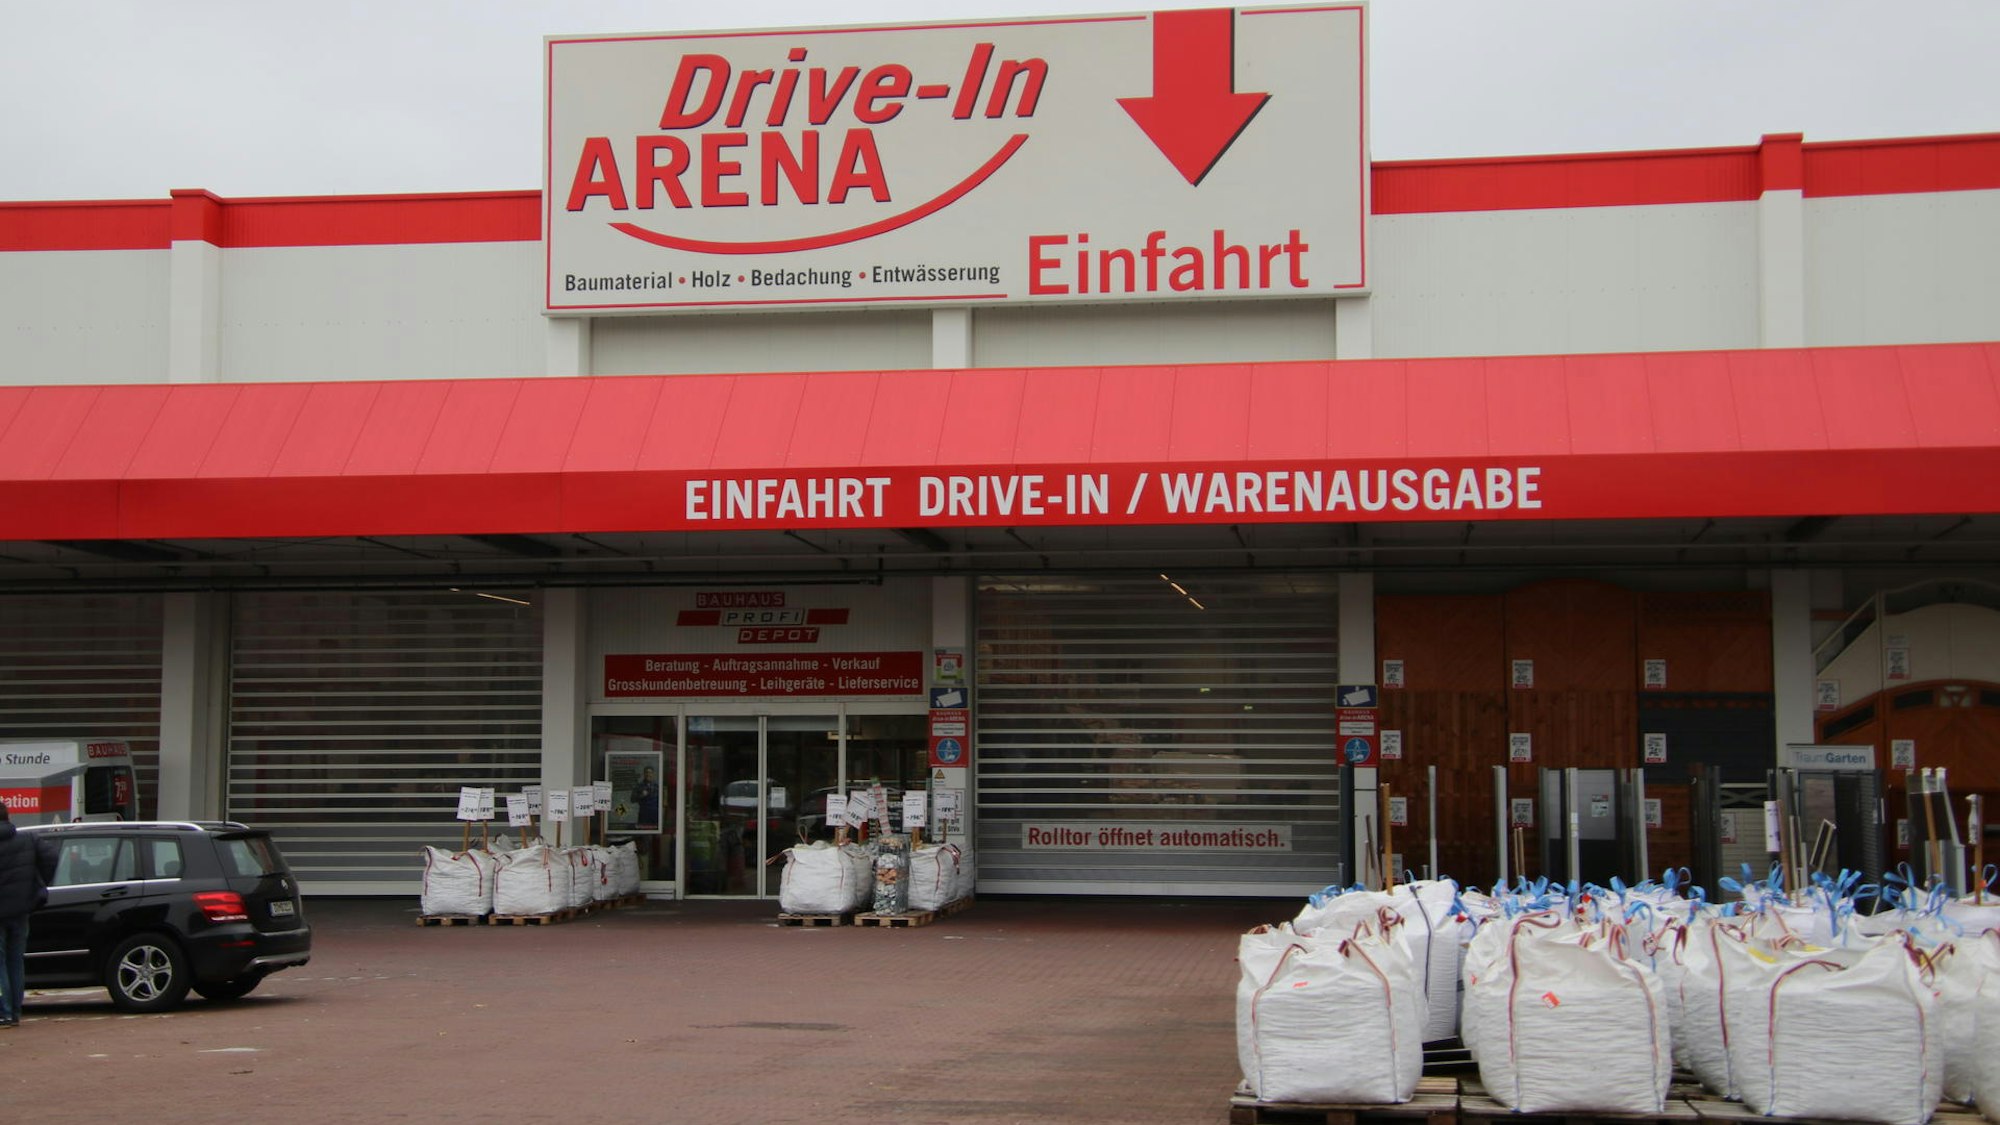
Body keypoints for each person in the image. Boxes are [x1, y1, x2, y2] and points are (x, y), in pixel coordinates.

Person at [0, 805, 60, 1028]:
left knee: (0, 963)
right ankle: (14, 1011)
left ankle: (4, 1011)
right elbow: (52, 857)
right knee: (16, 960)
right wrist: (39, 884)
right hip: (21, 909)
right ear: (8, 817)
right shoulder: (28, 840)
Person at [632, 767, 661, 831]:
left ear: (653, 774)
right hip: (644, 815)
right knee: (644, 836)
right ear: (644, 774)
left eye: (650, 772)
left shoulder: (657, 786)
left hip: (655, 815)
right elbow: (632, 799)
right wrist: (641, 795)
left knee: (655, 837)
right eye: (647, 772)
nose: (648, 774)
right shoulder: (639, 786)